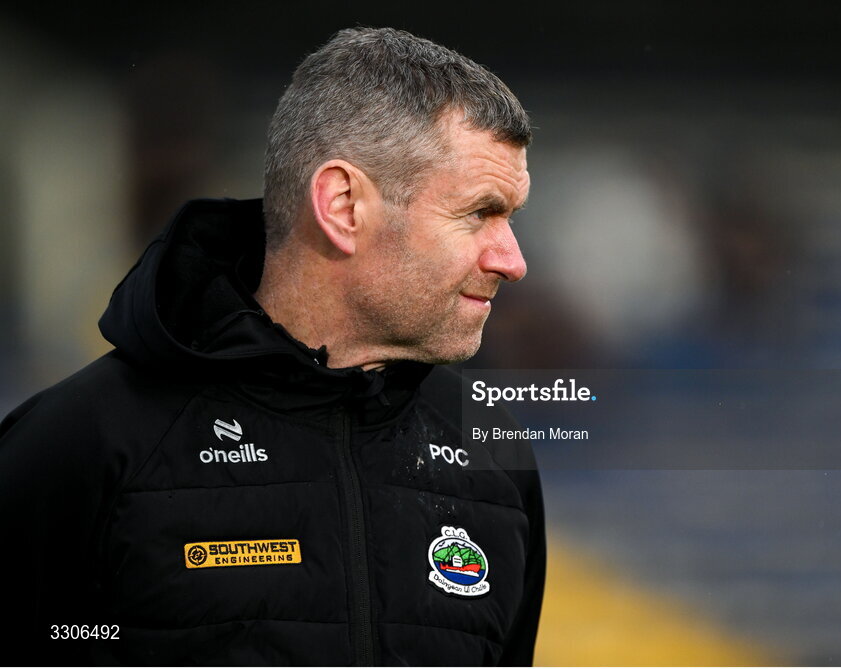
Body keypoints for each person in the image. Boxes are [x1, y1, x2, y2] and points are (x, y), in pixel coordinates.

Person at [0, 27, 544, 666]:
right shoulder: (80, 443)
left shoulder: (492, 447)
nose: (513, 261)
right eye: (480, 213)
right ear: (342, 205)